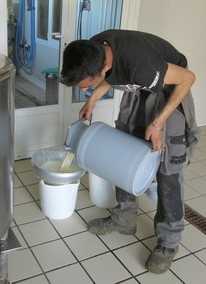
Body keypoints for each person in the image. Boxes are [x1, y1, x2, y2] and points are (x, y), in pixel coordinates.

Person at [60, 29, 199, 274]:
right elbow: (109, 78)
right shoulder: (92, 49)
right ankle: (125, 217)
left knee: (168, 168)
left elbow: (187, 78)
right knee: (124, 154)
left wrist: (157, 123)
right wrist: (92, 100)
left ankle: (169, 242)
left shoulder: (140, 62)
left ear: (103, 68)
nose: (84, 90)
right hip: (139, 91)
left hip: (170, 94)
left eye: (86, 86)